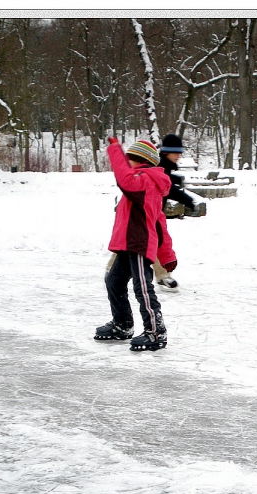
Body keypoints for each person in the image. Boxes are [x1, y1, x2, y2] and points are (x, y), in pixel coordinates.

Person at [94, 138, 177, 352]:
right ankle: (123, 324)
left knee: (143, 288)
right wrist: (167, 253)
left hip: (139, 244)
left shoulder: (145, 180)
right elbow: (160, 222)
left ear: (138, 161)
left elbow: (124, 180)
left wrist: (115, 151)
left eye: (129, 159)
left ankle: (155, 332)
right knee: (113, 280)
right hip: (127, 245)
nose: (126, 163)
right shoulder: (141, 182)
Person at [154, 133, 196, 292]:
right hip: (149, 212)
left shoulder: (164, 165)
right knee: (153, 243)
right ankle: (163, 276)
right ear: (166, 152)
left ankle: (163, 275)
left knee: (148, 243)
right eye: (176, 152)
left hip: (155, 212)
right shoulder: (161, 166)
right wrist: (187, 199)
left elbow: (168, 182)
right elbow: (168, 188)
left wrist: (176, 180)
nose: (179, 155)